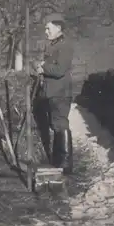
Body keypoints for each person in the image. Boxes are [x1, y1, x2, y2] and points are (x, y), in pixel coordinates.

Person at [32, 13, 75, 175]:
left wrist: (43, 67)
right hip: (52, 92)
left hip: (60, 93)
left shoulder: (65, 45)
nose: (46, 31)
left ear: (58, 28)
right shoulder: (54, 45)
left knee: (60, 124)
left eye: (48, 28)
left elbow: (59, 70)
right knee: (56, 125)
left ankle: (65, 163)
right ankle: (58, 161)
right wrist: (39, 65)